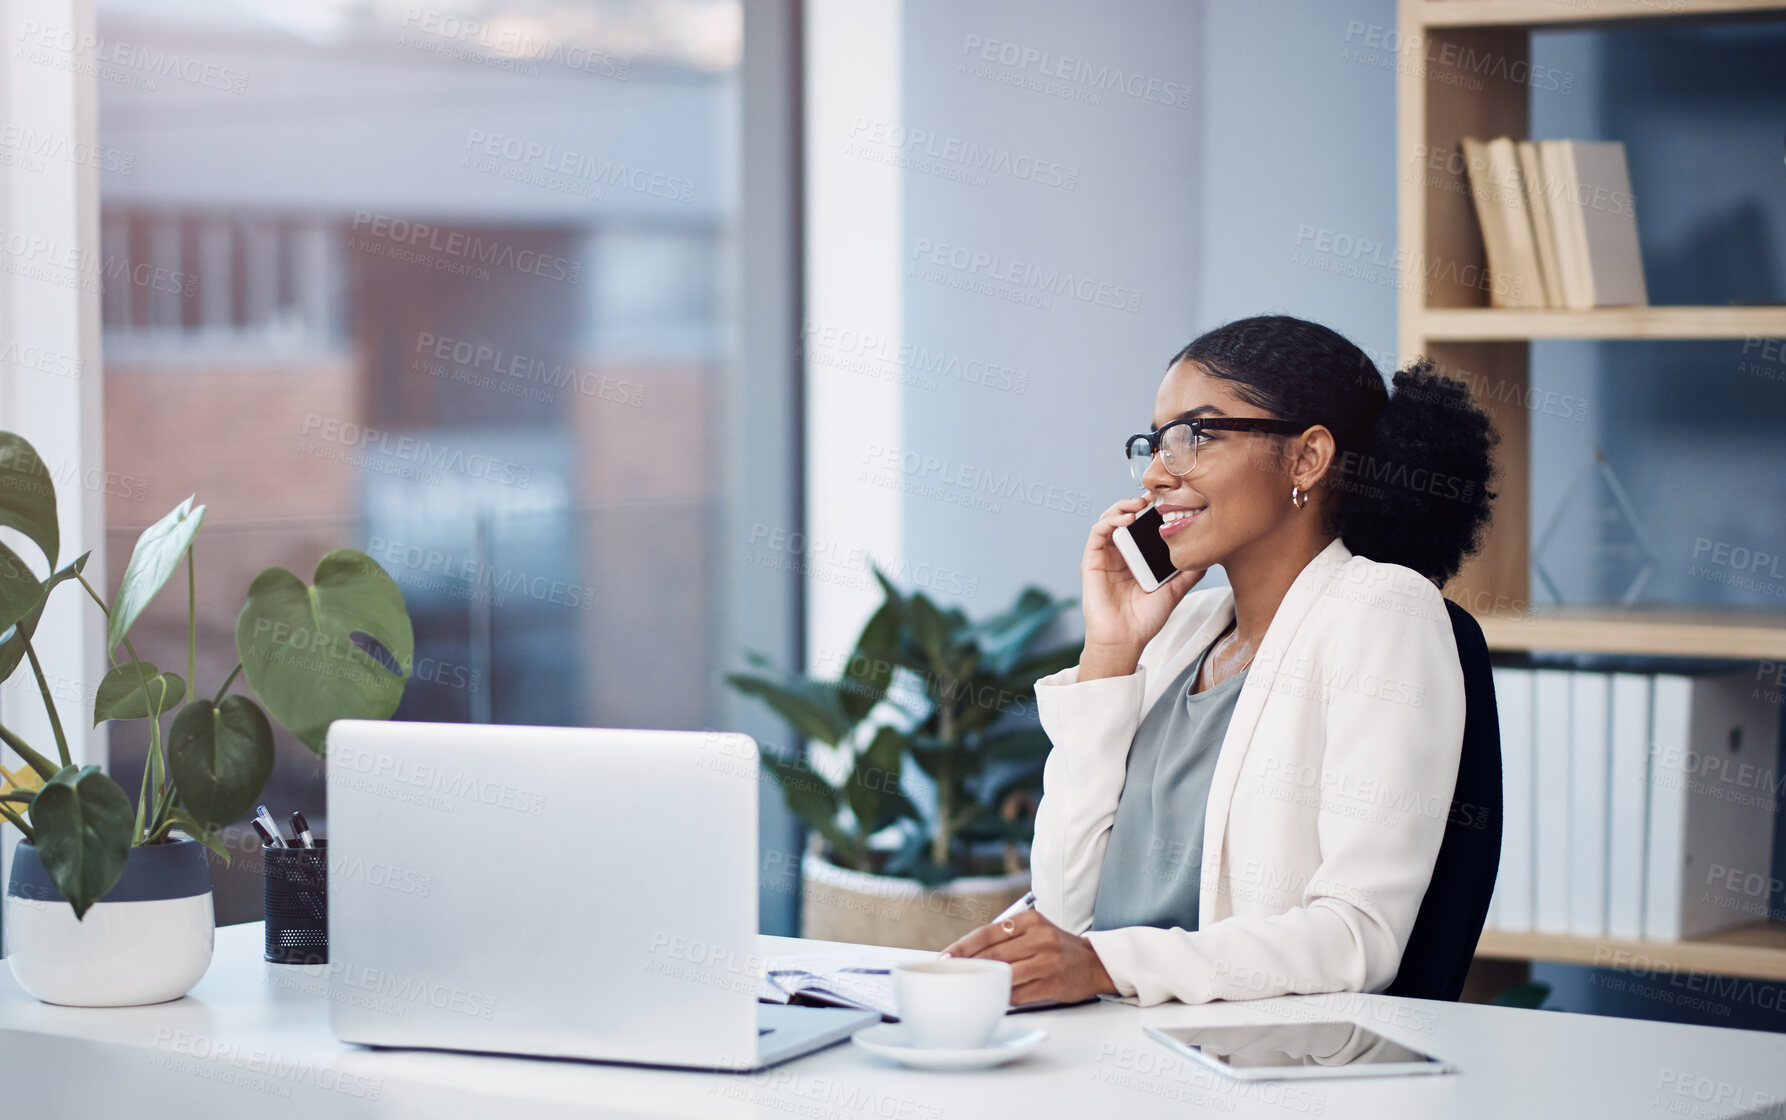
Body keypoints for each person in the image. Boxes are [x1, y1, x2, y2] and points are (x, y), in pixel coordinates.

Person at [941, 314, 1497, 1006]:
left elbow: (1358, 935)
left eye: (1191, 437)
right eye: (1153, 442)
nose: (1154, 473)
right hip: (1101, 1042)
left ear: (1306, 458)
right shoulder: (1183, 632)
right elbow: (1062, 908)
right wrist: (1110, 652)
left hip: (1239, 1071)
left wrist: (1105, 966)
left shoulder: (1383, 611)